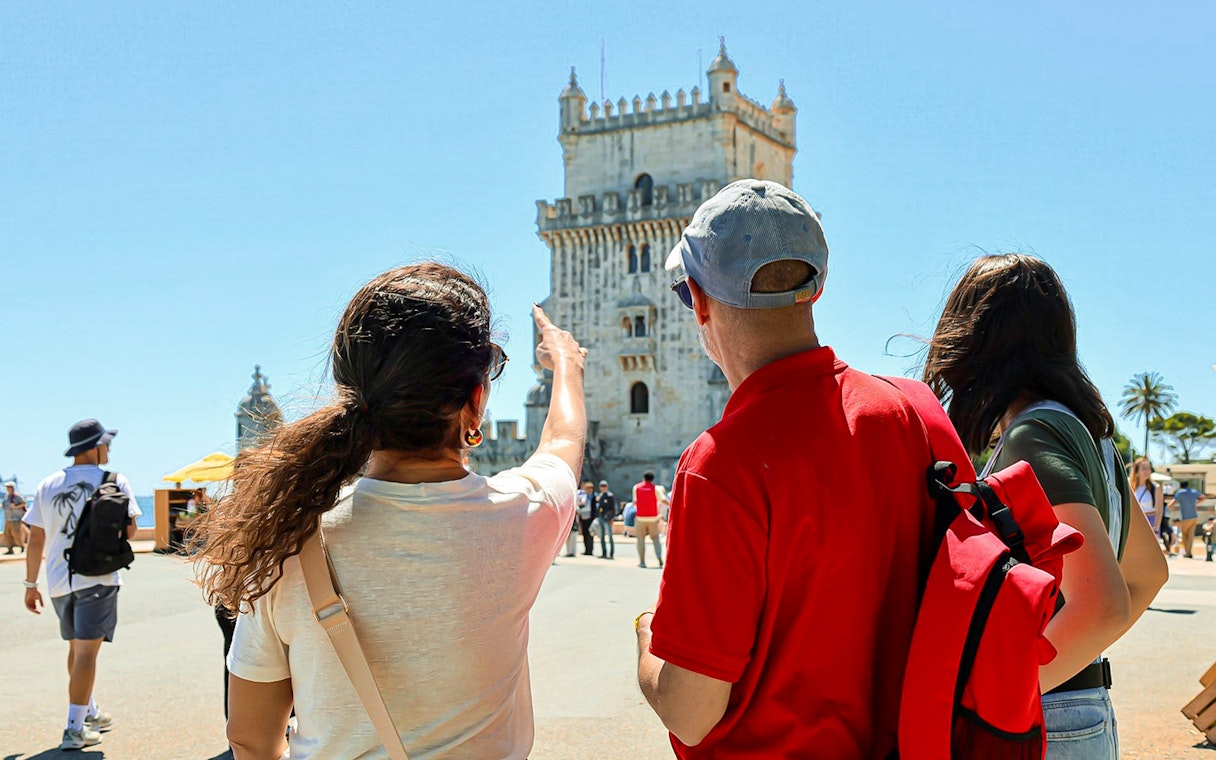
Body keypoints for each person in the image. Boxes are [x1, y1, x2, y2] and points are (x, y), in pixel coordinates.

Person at [192, 264, 587, 760]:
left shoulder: (291, 537)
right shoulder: (524, 514)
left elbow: (249, 736)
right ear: (476, 399)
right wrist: (567, 365)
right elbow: (563, 442)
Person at [635, 180, 939, 757]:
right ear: (816, 289)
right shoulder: (908, 412)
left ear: (699, 301)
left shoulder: (722, 465)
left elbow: (691, 712)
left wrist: (647, 638)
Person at [923, 253, 1168, 758]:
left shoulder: (1033, 434)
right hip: (1085, 708)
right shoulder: (1091, 436)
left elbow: (1102, 605)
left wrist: (1006, 691)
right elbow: (1146, 575)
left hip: (1047, 716)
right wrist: (1078, 664)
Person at [22, 419, 141, 750]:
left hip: (59, 580)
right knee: (88, 652)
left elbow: (35, 539)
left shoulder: (47, 484)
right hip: (98, 578)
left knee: (76, 648)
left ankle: (88, 710)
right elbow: (130, 531)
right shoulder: (114, 480)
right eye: (106, 444)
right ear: (93, 447)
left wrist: (31, 583)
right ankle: (74, 729)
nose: (109, 449)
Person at [632, 472, 663, 568]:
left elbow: (634, 502)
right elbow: (662, 499)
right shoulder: (656, 488)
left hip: (640, 517)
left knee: (640, 540)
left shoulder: (636, 487)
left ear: (643, 478)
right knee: (655, 539)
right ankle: (659, 557)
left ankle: (642, 562)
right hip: (653, 518)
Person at [1128, 458, 1163, 534]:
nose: (1147, 471)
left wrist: (1156, 528)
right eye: (1144, 469)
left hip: (1151, 522)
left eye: (1148, 468)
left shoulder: (1155, 487)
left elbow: (1159, 510)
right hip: (1135, 522)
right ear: (1137, 472)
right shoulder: (1131, 487)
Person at [1170, 480, 1202, 559]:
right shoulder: (1193, 492)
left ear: (1181, 485)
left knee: (1184, 534)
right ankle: (1189, 552)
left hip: (1185, 517)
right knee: (1191, 535)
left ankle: (1187, 552)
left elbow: (1170, 504)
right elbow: (1203, 497)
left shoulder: (1180, 493)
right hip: (1194, 516)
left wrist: (1174, 509)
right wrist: (1196, 503)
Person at [593, 480, 616, 559]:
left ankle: (611, 553)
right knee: (602, 536)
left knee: (610, 536)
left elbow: (612, 508)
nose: (603, 488)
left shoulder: (609, 495)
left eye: (604, 486)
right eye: (602, 486)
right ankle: (604, 552)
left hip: (607, 517)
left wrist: (612, 518)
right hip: (601, 516)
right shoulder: (600, 496)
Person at [3, 481, 28, 554]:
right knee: (7, 534)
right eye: (7, 487)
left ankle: (22, 546)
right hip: (8, 519)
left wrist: (15, 507)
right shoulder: (7, 496)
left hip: (15, 519)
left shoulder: (17, 496)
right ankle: (10, 549)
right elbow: (4, 505)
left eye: (9, 487)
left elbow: (24, 503)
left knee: (16, 533)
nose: (8, 489)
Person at [575, 481, 595, 555]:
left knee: (590, 534)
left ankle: (590, 550)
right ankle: (586, 549)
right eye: (587, 489)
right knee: (584, 534)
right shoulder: (583, 496)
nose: (588, 490)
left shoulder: (594, 497)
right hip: (583, 517)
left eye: (590, 489)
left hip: (590, 518)